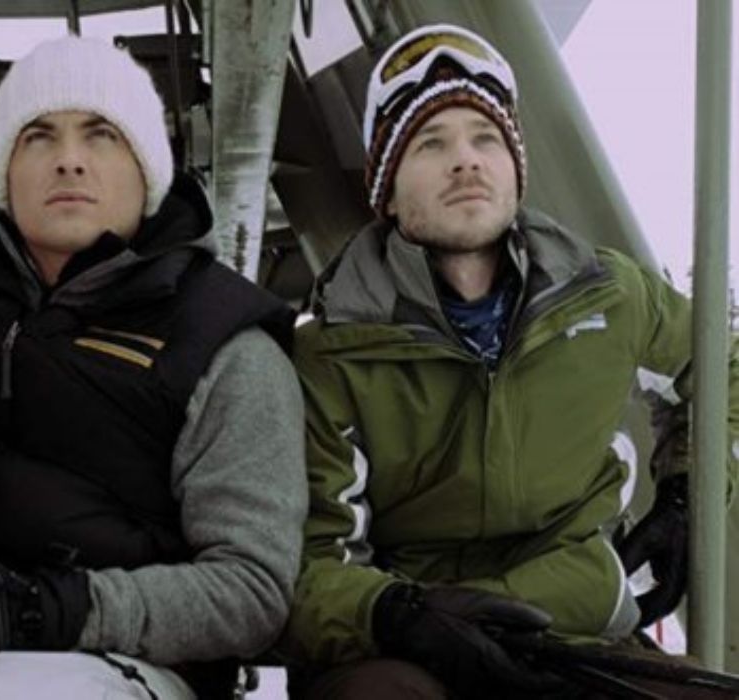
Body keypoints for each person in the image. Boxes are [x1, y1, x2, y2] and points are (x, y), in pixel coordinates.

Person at [0, 35, 307, 700]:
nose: (68, 161)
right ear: (5, 171)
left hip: (110, 652)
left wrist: (46, 608)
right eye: (38, 136)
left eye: (101, 135)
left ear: (147, 167)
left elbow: (251, 590)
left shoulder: (222, 342)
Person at [284, 23, 739, 698]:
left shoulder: (608, 297)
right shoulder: (335, 350)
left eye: (486, 139)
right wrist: (401, 616)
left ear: (516, 168)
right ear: (387, 186)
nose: (465, 161)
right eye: (431, 144)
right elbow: (312, 563)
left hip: (574, 623)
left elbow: (719, 371)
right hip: (416, 648)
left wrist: (685, 496)